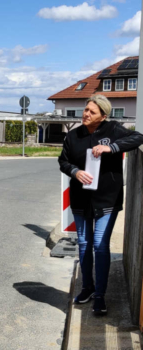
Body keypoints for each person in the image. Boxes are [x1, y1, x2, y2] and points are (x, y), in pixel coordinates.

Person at [59, 94, 143, 316]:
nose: (86, 114)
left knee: (100, 245)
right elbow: (63, 161)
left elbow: (138, 138)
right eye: (86, 110)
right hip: (80, 199)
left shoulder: (113, 129)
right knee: (84, 244)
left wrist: (111, 148)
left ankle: (100, 296)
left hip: (107, 198)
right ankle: (87, 288)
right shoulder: (73, 135)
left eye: (92, 112)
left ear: (103, 115)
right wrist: (75, 172)